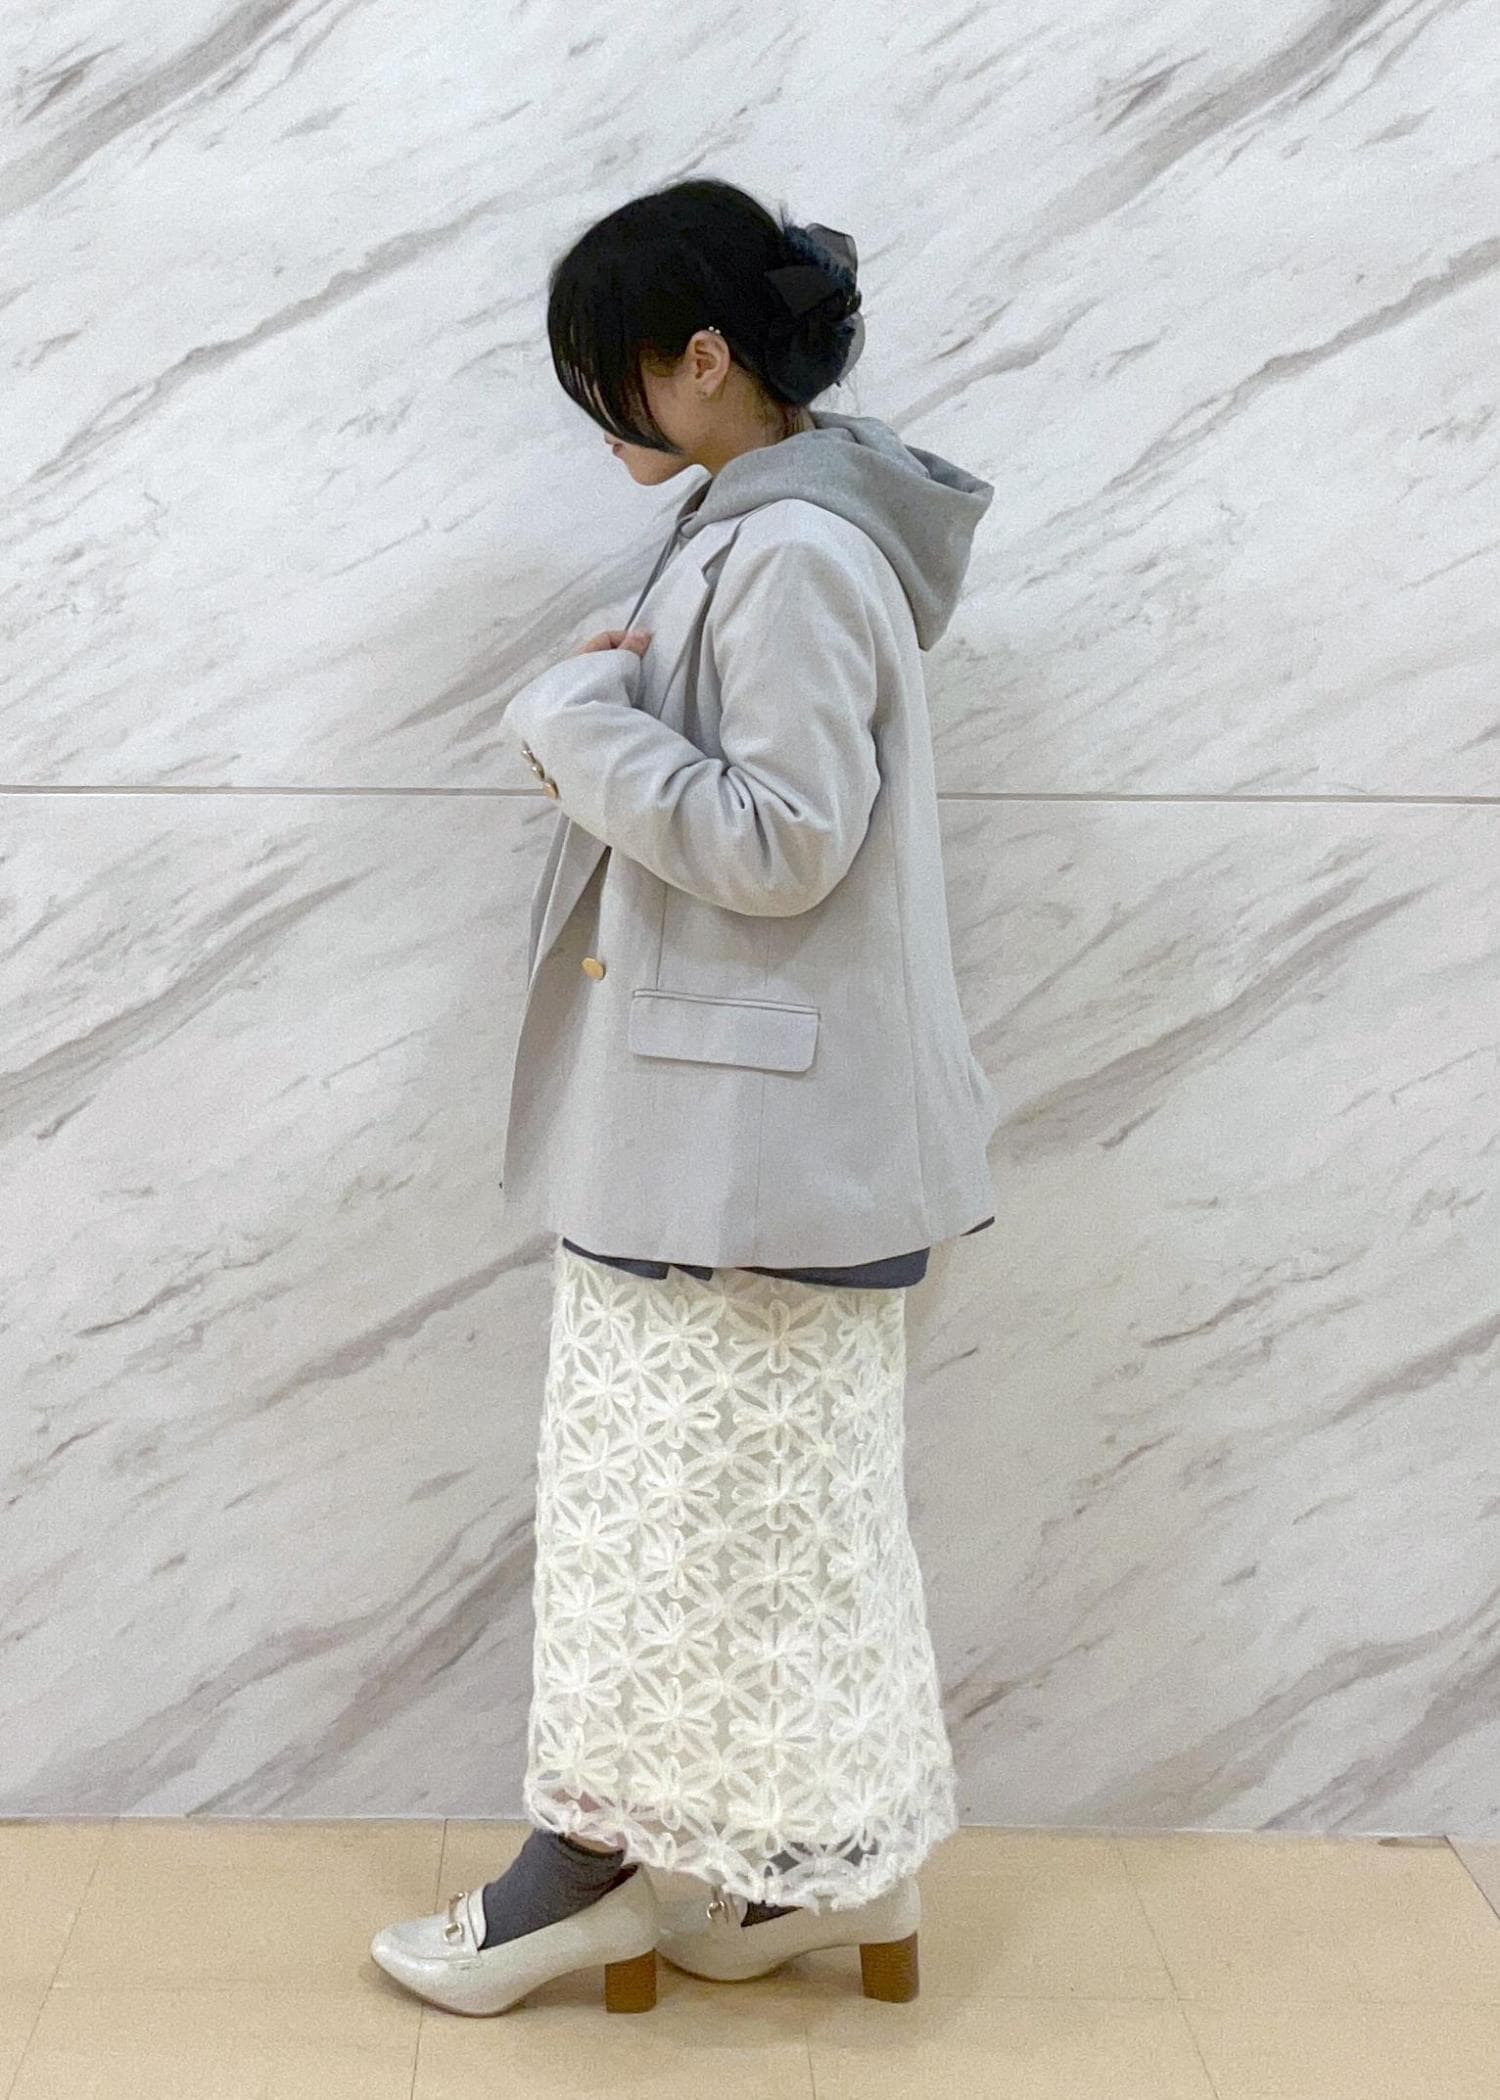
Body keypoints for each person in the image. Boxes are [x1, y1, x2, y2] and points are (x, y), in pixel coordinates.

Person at [370, 176, 1000, 2019]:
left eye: (613, 374)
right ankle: (822, 1877)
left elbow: (785, 842)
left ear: (707, 357)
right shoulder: (779, 526)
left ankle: (581, 1884)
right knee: (780, 1540)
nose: (603, 415)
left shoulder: (792, 552)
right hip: (758, 1152)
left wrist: (576, 726)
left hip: (743, 1168)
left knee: (655, 1538)